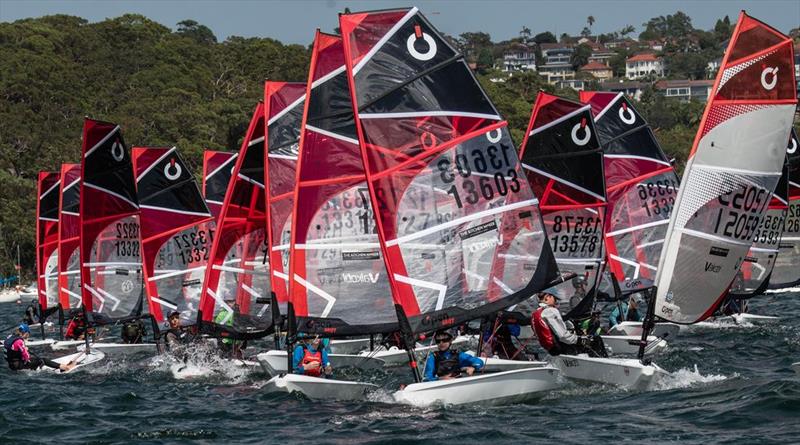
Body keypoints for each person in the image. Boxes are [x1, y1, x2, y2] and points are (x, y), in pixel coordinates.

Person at [532, 292, 607, 357]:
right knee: (596, 340)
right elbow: (563, 336)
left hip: (552, 349)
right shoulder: (551, 311)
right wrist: (580, 340)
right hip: (561, 348)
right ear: (547, 297)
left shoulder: (536, 313)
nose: (556, 301)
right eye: (555, 298)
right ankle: (605, 364)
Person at [3, 324, 74, 372]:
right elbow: (26, 357)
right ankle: (64, 367)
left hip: (11, 365)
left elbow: (11, 350)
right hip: (18, 366)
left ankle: (36, 367)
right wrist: (26, 350)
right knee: (43, 360)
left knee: (34, 360)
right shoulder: (19, 341)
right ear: (26, 333)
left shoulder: (9, 337)